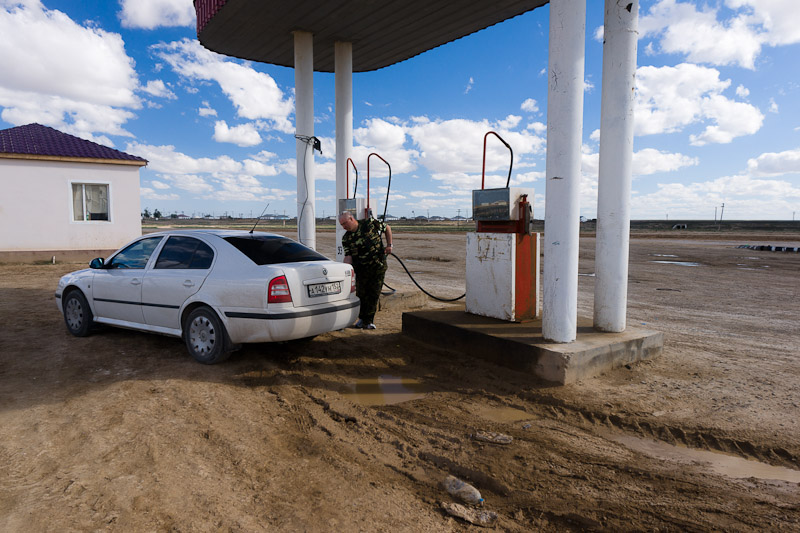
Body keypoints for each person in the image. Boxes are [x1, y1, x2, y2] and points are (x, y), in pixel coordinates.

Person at [339, 211, 393, 329]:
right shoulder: (346, 238)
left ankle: (369, 321)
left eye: (345, 223)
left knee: (373, 293)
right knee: (361, 294)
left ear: (351, 219)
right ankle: (362, 319)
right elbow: (348, 256)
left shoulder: (369, 223)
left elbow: (387, 228)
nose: (344, 227)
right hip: (361, 270)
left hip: (377, 267)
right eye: (342, 225)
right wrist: (344, 271)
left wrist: (389, 245)